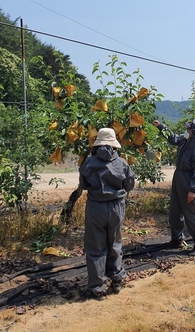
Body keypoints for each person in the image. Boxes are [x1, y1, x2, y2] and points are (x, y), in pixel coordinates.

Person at [79, 127, 136, 299]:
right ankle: (116, 280)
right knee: (115, 243)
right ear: (114, 145)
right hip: (116, 207)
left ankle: (97, 288)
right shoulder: (122, 163)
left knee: (96, 246)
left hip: (96, 206)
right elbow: (130, 185)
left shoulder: (89, 162)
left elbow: (83, 185)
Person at [152, 118, 195, 256]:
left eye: (189, 129)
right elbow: (173, 138)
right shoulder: (184, 141)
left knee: (191, 213)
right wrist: (161, 126)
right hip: (178, 178)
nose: (187, 130)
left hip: (188, 180)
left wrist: (192, 189)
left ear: (194, 132)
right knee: (175, 210)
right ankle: (176, 239)